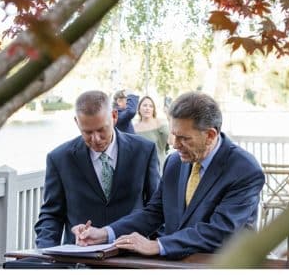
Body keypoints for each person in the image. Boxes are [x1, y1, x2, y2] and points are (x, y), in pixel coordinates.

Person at [72, 91, 265, 259]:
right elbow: (154, 213)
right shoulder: (174, 162)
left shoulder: (244, 170)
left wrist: (157, 245)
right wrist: (104, 233)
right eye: (173, 135)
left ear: (210, 135)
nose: (174, 144)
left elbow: (220, 231)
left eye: (184, 138)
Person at [34, 90, 161, 248]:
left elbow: (156, 208)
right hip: (81, 261)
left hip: (133, 257)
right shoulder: (59, 158)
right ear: (77, 122)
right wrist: (46, 256)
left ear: (114, 117)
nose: (96, 139)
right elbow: (51, 215)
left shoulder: (144, 150)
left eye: (101, 130)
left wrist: (158, 253)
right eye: (87, 132)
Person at [133, 95, 172, 171]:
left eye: (151, 106)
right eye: (144, 105)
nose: (147, 108)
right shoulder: (134, 128)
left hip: (158, 166)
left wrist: (170, 118)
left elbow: (172, 141)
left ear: (153, 109)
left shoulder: (160, 123)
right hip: (141, 167)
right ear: (139, 108)